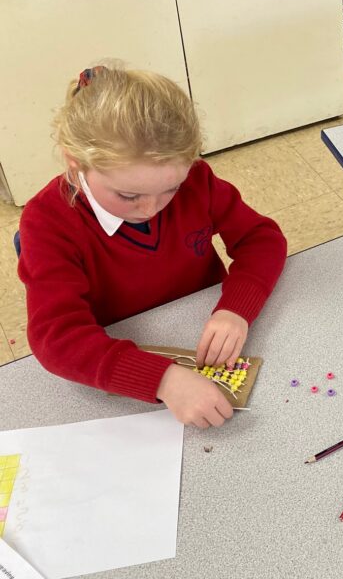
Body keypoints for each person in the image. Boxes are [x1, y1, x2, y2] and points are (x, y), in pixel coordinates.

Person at [18, 64, 287, 428]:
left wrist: (235, 309)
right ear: (75, 162)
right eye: (129, 195)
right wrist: (162, 379)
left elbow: (262, 239)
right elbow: (56, 338)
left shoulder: (197, 182)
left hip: (200, 327)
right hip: (123, 360)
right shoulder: (47, 222)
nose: (150, 209)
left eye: (170, 189)